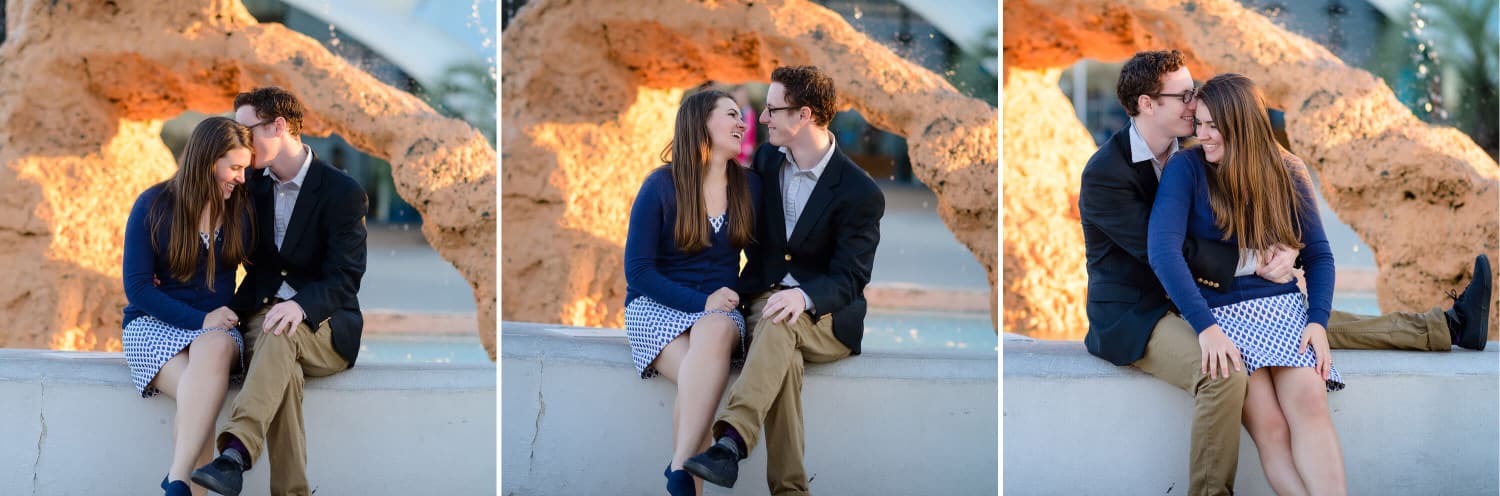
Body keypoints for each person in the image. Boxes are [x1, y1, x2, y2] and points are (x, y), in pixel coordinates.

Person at [1078, 50, 1491, 496]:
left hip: (1216, 294)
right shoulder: (1109, 173)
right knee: (1224, 375)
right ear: (1146, 104)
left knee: (1320, 322)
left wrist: (1286, 257)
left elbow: (1269, 232)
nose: (1195, 106)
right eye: (1185, 96)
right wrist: (1257, 261)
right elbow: (1162, 251)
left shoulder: (1198, 152)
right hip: (1140, 311)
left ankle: (1448, 327)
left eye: (1197, 96)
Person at [683, 65, 886, 495]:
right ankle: (789, 490)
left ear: (804, 115)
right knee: (783, 356)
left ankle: (732, 440)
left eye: (773, 110)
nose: (762, 118)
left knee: (783, 321)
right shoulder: (767, 160)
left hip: (828, 317)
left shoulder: (860, 192)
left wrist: (806, 297)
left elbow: (851, 277)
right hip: (765, 303)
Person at [1151, 73, 1348, 494]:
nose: (1201, 135)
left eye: (1211, 126)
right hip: (1220, 316)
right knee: (1271, 427)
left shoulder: (1288, 170)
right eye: (1198, 123)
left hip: (1282, 308)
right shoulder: (1186, 168)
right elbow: (1163, 253)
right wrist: (1206, 328)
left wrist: (1317, 322)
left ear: (1242, 124)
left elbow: (1319, 255)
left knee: (1311, 405)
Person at [190, 87, 369, 496]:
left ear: (279, 126)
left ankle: (235, 450)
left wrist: (301, 306)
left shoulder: (342, 192)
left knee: (280, 333)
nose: (240, 142)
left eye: (247, 130)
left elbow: (346, 276)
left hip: (326, 324)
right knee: (280, 362)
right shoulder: (248, 186)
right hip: (260, 319)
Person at [624, 88, 758, 496]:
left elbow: (763, 258)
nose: (743, 123)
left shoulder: (749, 186)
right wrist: (701, 302)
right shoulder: (660, 185)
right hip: (655, 307)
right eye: (732, 115)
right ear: (702, 123)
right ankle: (686, 480)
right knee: (699, 386)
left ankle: (679, 468)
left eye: (742, 116)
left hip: (717, 312)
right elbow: (638, 271)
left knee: (715, 332)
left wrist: (737, 295)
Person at [122, 116, 254, 496]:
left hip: (213, 332)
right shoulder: (153, 205)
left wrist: (228, 314)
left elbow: (262, 275)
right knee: (202, 398)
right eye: (235, 167)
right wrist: (202, 316)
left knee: (212, 350)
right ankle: (181, 486)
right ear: (208, 161)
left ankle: (177, 479)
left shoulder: (240, 211)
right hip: (151, 326)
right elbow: (138, 289)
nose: (241, 178)